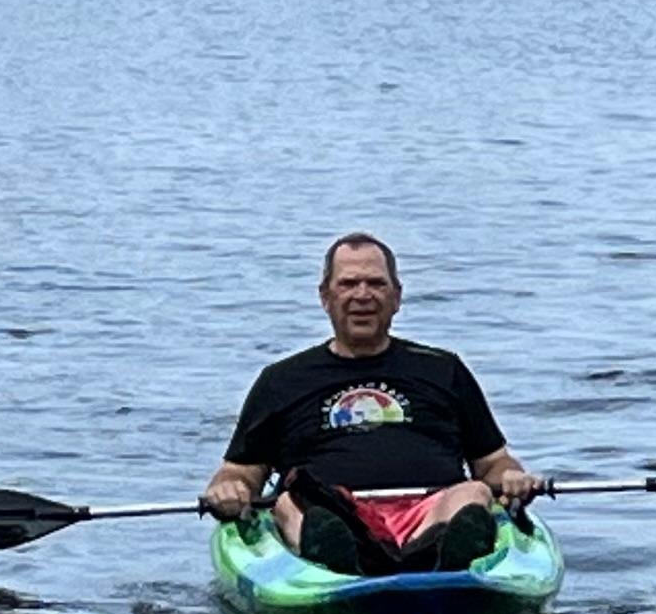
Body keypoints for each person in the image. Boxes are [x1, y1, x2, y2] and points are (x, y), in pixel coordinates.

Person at [199, 234, 546, 568]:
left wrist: (513, 477)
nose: (362, 295)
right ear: (325, 297)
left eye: (376, 284)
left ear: (397, 296)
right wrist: (229, 490)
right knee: (292, 503)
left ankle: (440, 554)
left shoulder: (444, 370)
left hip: (432, 511)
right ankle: (335, 554)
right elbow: (239, 472)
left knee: (472, 494)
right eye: (348, 284)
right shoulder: (281, 380)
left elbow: (492, 464)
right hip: (328, 511)